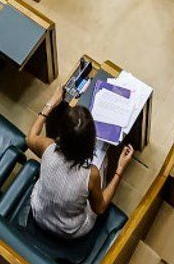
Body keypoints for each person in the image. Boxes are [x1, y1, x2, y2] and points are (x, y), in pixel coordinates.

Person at [23, 87, 133, 241]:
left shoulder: (48, 148)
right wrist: (119, 169)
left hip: (39, 214)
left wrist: (51, 103)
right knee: (103, 163)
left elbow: (30, 138)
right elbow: (100, 208)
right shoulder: (91, 174)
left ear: (61, 133)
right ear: (90, 142)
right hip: (70, 231)